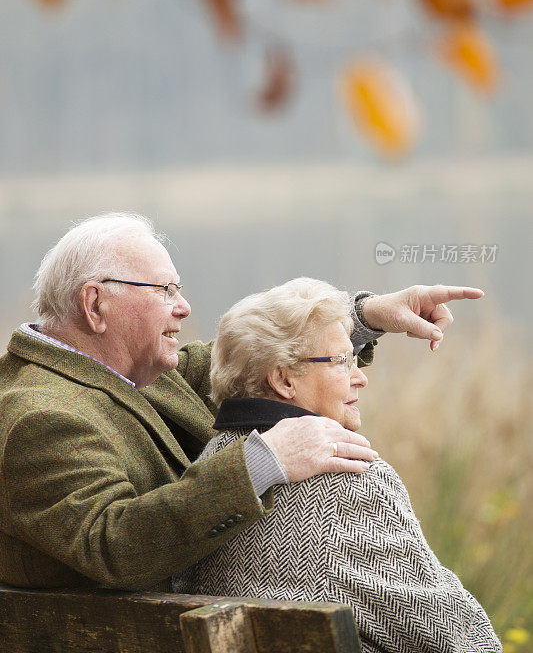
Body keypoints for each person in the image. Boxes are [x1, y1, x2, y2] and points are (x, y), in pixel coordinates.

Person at [0, 212, 483, 592]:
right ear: (94, 304)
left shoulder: (119, 370)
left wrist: (364, 316)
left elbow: (248, 361)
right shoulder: (43, 417)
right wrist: (262, 462)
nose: (183, 306)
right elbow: (113, 545)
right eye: (165, 290)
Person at [173, 278, 500, 653]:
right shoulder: (349, 478)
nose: (360, 376)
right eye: (342, 361)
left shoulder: (211, 464)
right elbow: (456, 636)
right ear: (282, 379)